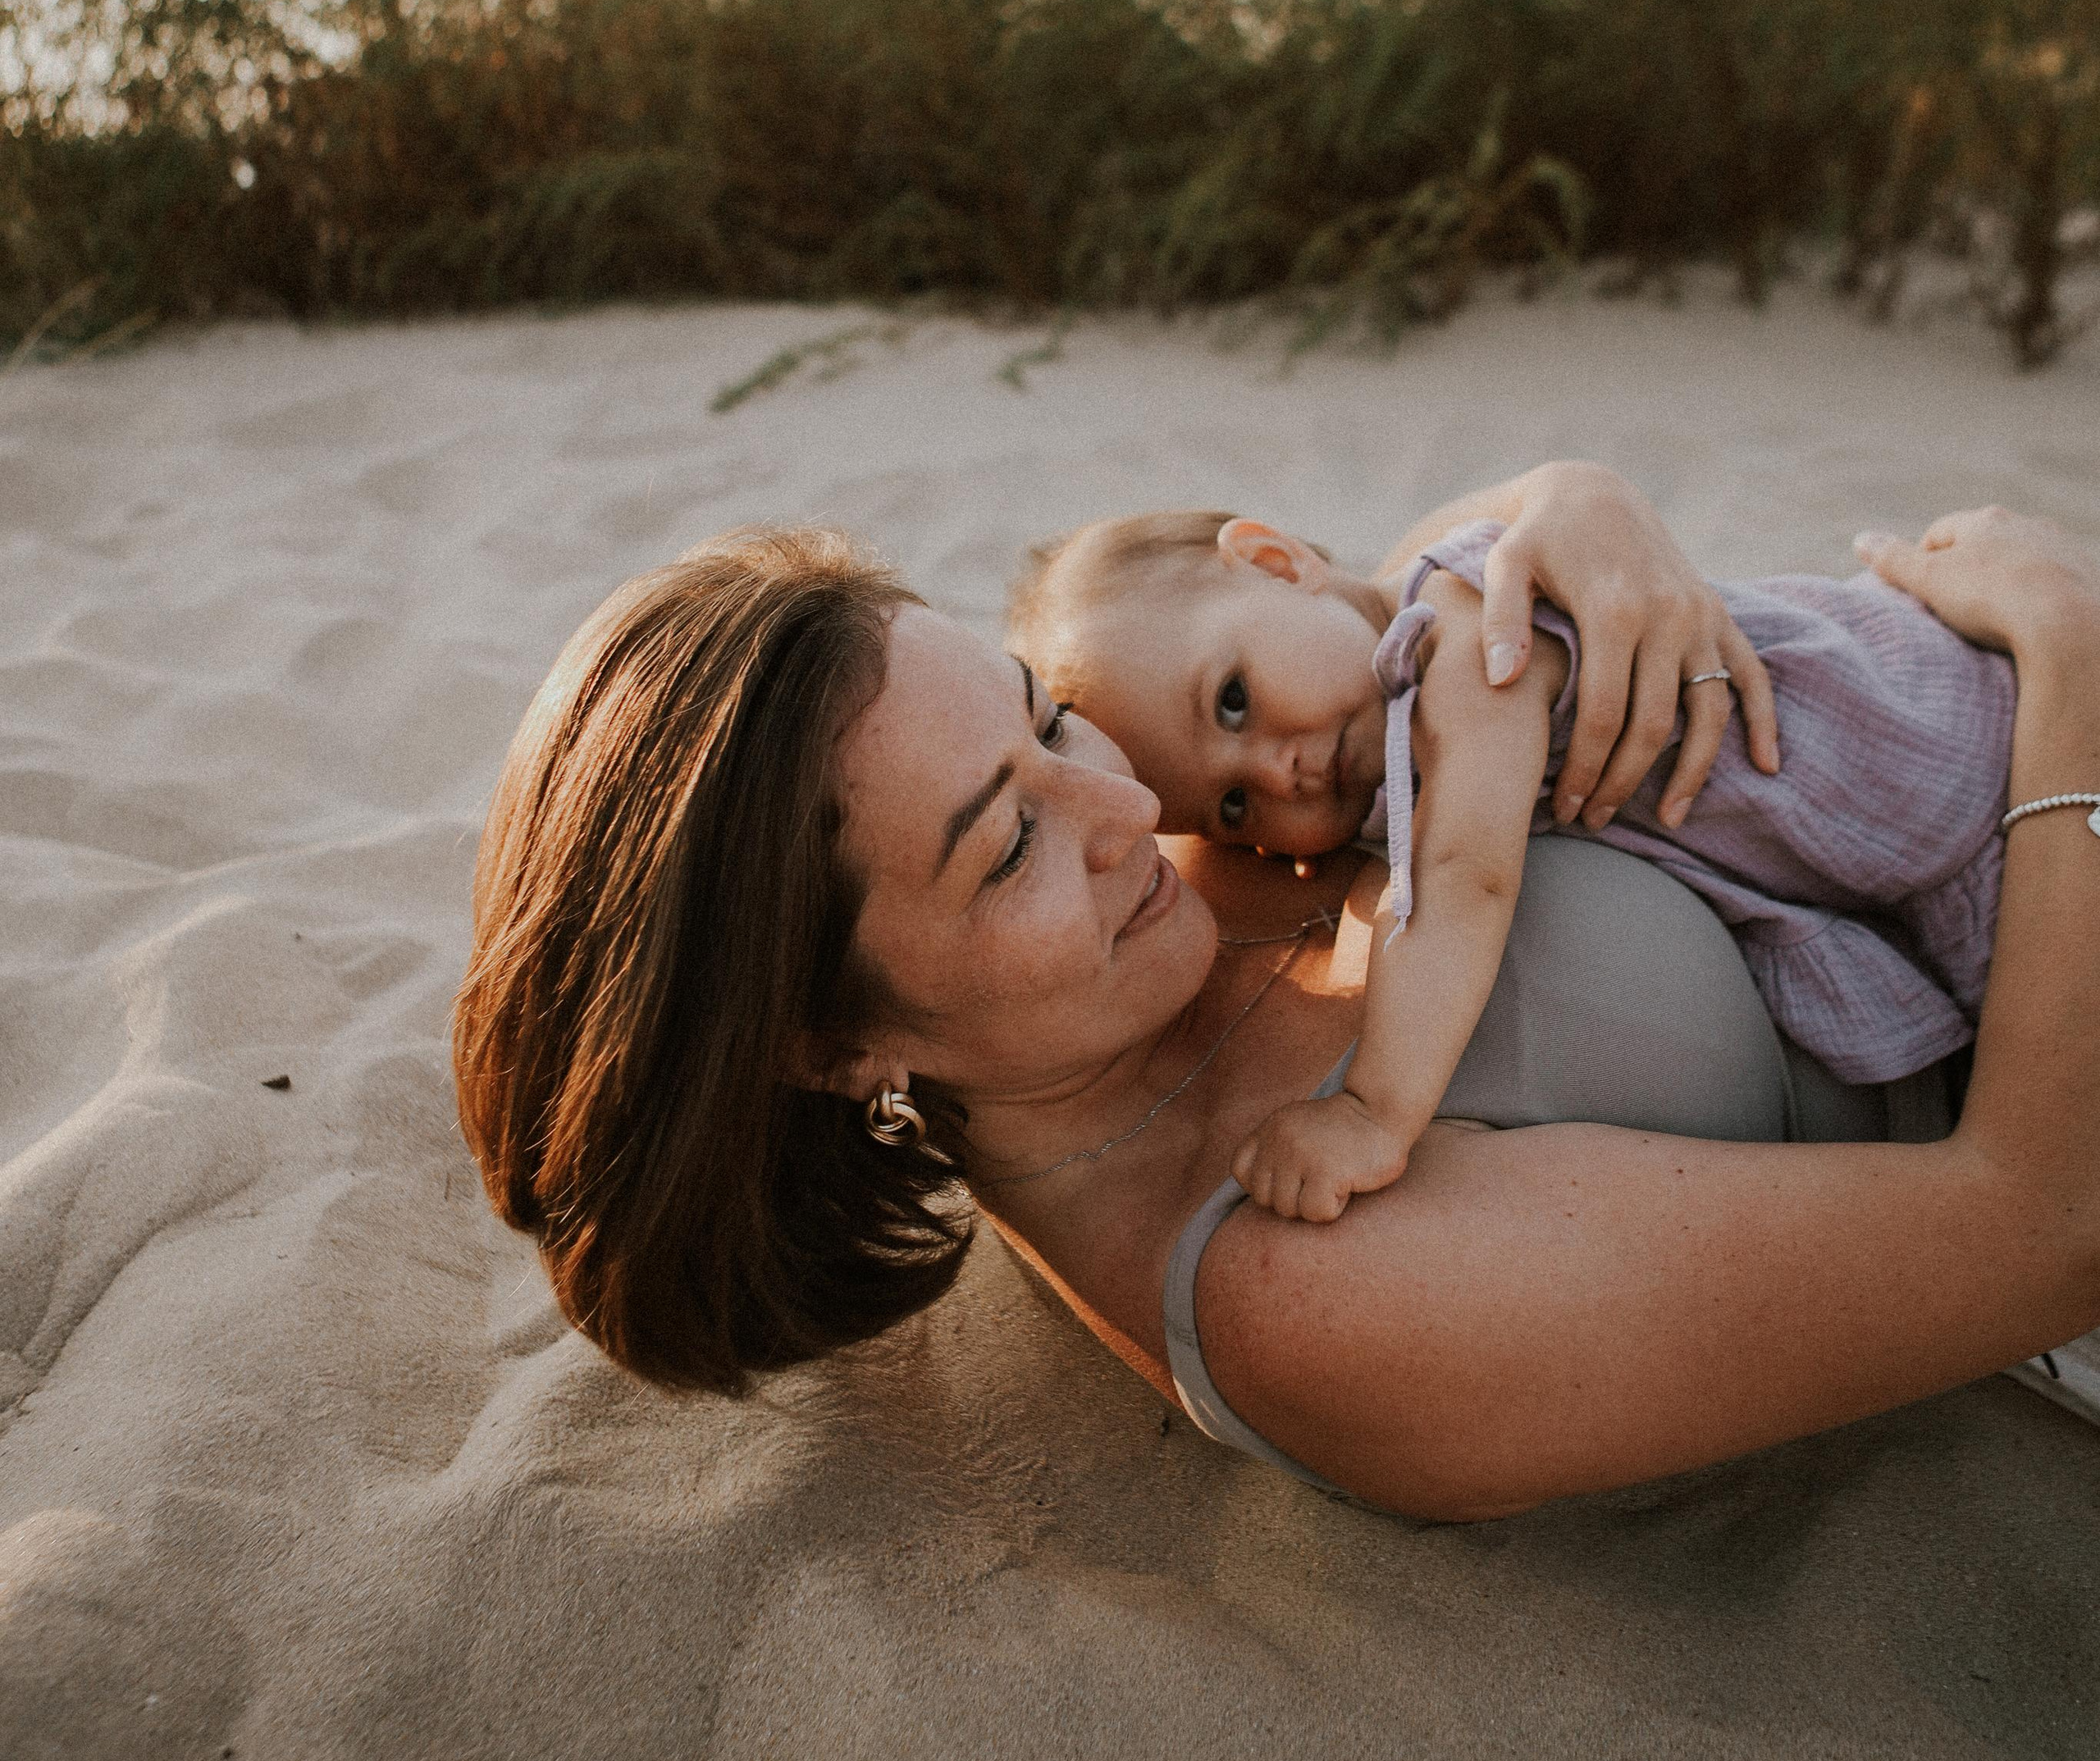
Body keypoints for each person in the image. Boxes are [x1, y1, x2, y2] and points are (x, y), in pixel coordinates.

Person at [452, 464, 2100, 1520]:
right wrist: (2066, 658)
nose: (1128, 817)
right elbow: (2044, 1224)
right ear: (828, 1049)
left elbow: (1361, 621)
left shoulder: (1174, 835)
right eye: (1002, 843)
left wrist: (1569, 510)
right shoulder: (1301, 1297)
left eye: (1043, 716)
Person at [1002, 506, 2015, 1224]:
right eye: (1233, 805)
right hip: (1914, 852)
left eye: (1231, 698)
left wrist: (1373, 1113)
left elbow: (1461, 880)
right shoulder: (1385, 706)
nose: (1280, 768)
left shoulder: (1467, 634)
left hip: (1960, 757)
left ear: (1274, 561)